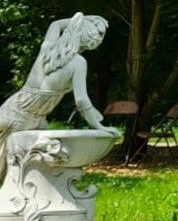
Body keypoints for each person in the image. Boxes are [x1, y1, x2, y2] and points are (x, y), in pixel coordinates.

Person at [0, 14, 112, 183]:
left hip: (12, 110)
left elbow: (56, 24)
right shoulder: (78, 63)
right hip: (30, 121)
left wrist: (82, 20)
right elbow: (81, 101)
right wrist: (99, 126)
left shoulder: (48, 49)